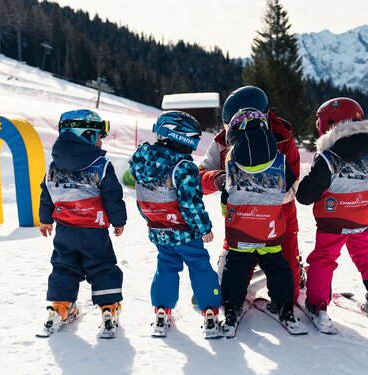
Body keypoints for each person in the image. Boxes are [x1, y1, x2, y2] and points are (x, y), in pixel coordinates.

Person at [296, 97, 368, 328]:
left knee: (324, 258)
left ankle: (317, 304)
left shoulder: (329, 156)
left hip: (333, 221)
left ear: (330, 123)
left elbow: (306, 195)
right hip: (362, 218)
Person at [199, 85, 302, 302]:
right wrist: (218, 179)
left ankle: (289, 266)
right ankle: (241, 262)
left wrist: (258, 190)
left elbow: (293, 187)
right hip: (241, 221)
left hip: (279, 221)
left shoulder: (281, 136)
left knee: (290, 295)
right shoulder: (223, 140)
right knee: (228, 292)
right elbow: (201, 176)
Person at [129, 110, 222, 338]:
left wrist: (153, 220)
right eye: (193, 139)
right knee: (200, 266)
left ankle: (162, 310)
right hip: (184, 231)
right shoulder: (183, 166)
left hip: (158, 227)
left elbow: (142, 194)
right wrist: (204, 228)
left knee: (166, 266)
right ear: (180, 137)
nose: (193, 146)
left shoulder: (141, 161)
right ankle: (209, 312)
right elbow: (190, 203)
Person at [39, 109, 127, 338]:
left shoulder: (54, 165)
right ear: (87, 135)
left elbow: (46, 192)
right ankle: (109, 308)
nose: (100, 141)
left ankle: (60, 307)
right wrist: (118, 221)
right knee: (101, 266)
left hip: (65, 231)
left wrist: (46, 219)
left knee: (64, 266)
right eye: (99, 136)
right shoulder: (101, 165)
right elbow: (112, 196)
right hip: (94, 232)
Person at [220, 108, 302, 335]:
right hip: (270, 228)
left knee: (236, 265)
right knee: (276, 265)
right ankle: (283, 306)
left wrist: (228, 211)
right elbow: (290, 191)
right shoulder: (280, 159)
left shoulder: (232, 161)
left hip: (240, 229)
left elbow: (226, 197)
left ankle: (231, 308)